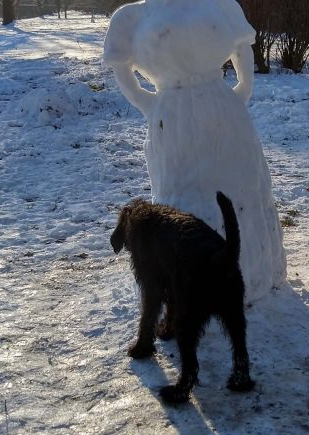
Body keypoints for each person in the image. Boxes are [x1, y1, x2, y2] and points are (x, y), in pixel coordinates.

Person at [103, 0, 286, 302]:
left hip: (222, 110)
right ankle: (190, 281)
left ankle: (251, 273)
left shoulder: (220, 4)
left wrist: (243, 90)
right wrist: (146, 102)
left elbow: (242, 47)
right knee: (182, 189)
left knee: (239, 187)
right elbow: (121, 67)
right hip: (172, 116)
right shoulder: (132, 16)